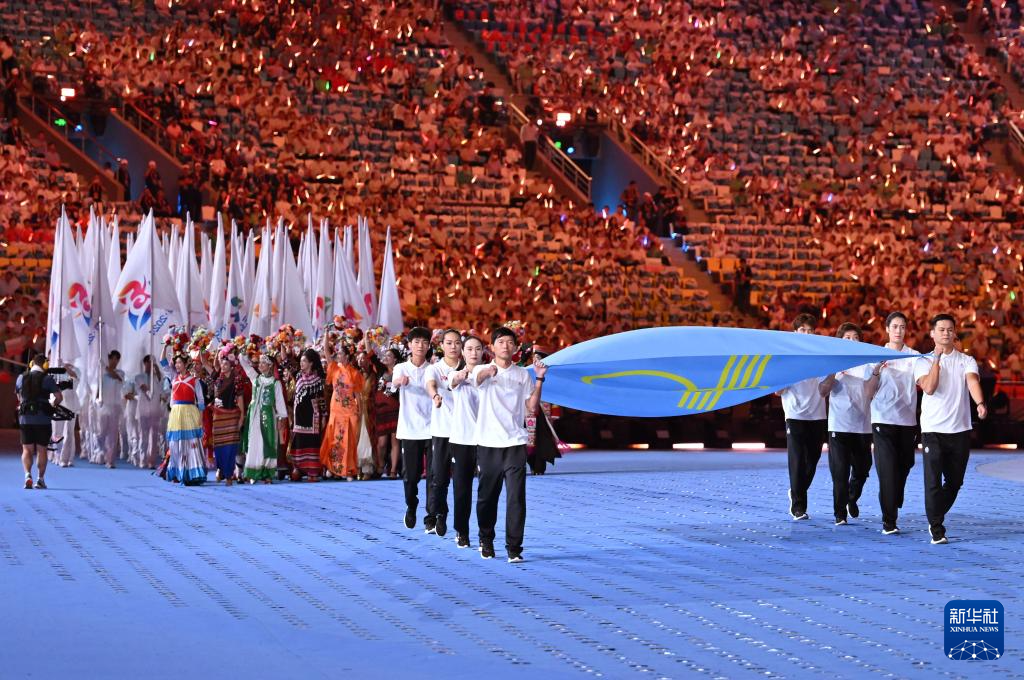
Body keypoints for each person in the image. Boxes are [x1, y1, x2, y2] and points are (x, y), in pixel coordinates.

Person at [472, 326, 548, 563]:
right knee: (487, 497)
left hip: (515, 442)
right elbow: (477, 380)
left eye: (510, 342)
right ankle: (486, 539)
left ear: (515, 347)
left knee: (516, 498)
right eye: (501, 342)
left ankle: (514, 548)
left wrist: (539, 379)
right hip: (488, 443)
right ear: (492, 347)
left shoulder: (522, 374)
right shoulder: (481, 369)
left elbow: (531, 407)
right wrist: (488, 373)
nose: (505, 346)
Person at [914, 314, 987, 545]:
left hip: (960, 430)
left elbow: (972, 381)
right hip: (932, 430)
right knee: (933, 481)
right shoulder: (922, 361)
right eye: (941, 329)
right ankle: (937, 528)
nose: (946, 333)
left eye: (950, 329)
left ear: (955, 333)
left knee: (955, 482)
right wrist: (936, 359)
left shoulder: (966, 360)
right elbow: (929, 388)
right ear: (932, 333)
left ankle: (934, 513)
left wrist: (980, 403)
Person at [866, 312, 919, 535]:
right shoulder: (876, 356)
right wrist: (876, 370)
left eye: (902, 327)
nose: (899, 330)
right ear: (887, 329)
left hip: (907, 421)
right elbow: (868, 391)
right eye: (895, 326)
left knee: (905, 466)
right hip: (882, 419)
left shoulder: (914, 356)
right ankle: (889, 522)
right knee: (887, 471)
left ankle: (895, 495)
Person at [818, 323, 873, 526]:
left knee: (863, 469)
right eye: (847, 338)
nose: (851, 341)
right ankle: (839, 513)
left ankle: (852, 497)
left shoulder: (867, 364)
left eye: (855, 337)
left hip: (862, 425)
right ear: (840, 341)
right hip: (838, 425)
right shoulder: (831, 363)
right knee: (840, 472)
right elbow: (822, 391)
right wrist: (834, 371)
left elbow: (872, 391)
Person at [777, 313, 828, 521]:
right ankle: (799, 506)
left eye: (810, 330)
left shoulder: (821, 357)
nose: (807, 334)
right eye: (802, 330)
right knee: (797, 460)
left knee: (812, 461)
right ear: (795, 332)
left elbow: (824, 389)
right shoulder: (786, 358)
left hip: (817, 414)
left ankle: (796, 490)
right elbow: (778, 391)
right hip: (794, 414)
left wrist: (833, 371)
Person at [394, 327, 434, 531]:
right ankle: (411, 505)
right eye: (416, 342)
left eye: (424, 342)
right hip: (410, 429)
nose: (420, 346)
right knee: (410, 476)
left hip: (433, 428)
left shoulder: (433, 369)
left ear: (429, 346)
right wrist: (399, 381)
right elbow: (394, 383)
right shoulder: (401, 368)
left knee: (434, 475)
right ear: (409, 345)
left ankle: (431, 516)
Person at [424, 329, 464, 537]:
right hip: (441, 432)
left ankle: (461, 528)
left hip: (464, 433)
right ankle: (439, 514)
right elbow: (430, 385)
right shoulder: (434, 368)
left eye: (457, 343)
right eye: (449, 343)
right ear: (441, 345)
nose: (453, 347)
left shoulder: (468, 368)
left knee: (461, 482)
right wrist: (435, 396)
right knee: (439, 478)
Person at [447, 334, 484, 548]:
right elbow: (453, 381)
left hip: (486, 440)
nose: (473, 353)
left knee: (486, 491)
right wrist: (462, 375)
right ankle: (461, 531)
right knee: (462, 489)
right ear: (462, 352)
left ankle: (485, 535)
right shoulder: (455, 374)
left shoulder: (490, 374)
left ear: (483, 351)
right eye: (469, 349)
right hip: (461, 440)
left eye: (477, 348)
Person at [320, 334, 365, 481]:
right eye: (338, 353)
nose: (337, 355)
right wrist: (326, 335)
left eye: (340, 353)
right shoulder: (334, 368)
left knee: (348, 441)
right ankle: (333, 468)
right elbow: (326, 351)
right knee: (334, 439)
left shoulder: (354, 373)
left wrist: (360, 412)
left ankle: (348, 470)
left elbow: (358, 396)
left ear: (347, 356)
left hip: (350, 410)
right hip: (336, 410)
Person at [239, 353, 288, 483]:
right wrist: (241, 353)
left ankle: (267, 473)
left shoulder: (275, 383)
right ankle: (252, 472)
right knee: (254, 442)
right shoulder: (255, 378)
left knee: (268, 443)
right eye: (259, 363)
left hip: (268, 417)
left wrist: (281, 418)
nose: (260, 365)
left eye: (263, 363)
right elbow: (245, 364)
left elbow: (279, 401)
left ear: (270, 366)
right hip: (254, 416)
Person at [160, 352, 207, 485]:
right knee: (176, 444)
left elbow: (201, 402)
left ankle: (191, 473)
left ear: (186, 364)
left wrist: (200, 420)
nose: (177, 365)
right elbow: (163, 362)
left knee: (191, 443)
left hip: (190, 413)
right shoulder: (173, 377)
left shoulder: (195, 380)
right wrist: (165, 345)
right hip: (176, 413)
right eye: (176, 362)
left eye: (180, 362)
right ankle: (177, 472)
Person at [16, 355, 61, 489]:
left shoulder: (21, 377)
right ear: (45, 365)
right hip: (43, 419)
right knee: (42, 450)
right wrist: (52, 405)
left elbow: (18, 396)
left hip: (25, 419)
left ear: (31, 364)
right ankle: (40, 479)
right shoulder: (48, 379)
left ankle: (27, 475)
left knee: (27, 450)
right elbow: (59, 397)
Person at [290, 348, 327, 481]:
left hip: (312, 416)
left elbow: (322, 399)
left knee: (311, 442)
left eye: (304, 361)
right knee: (299, 441)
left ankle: (312, 471)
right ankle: (298, 469)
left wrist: (324, 416)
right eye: (301, 361)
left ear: (311, 363)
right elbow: (286, 362)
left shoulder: (318, 380)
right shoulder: (298, 376)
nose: (301, 363)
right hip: (298, 416)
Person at [210, 350, 246, 485]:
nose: (223, 366)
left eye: (226, 364)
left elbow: (240, 400)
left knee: (231, 448)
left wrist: (241, 418)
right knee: (219, 447)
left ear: (231, 366)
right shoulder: (218, 380)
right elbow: (215, 397)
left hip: (232, 417)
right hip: (218, 417)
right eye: (222, 364)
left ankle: (229, 475)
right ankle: (221, 470)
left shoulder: (237, 379)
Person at [89, 350, 126, 468]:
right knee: (101, 433)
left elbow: (116, 377)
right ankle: (100, 452)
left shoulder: (120, 373)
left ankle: (110, 460)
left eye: (117, 359)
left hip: (115, 407)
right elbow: (97, 391)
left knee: (113, 435)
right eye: (112, 359)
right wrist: (96, 400)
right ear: (109, 359)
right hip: (103, 407)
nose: (114, 361)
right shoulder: (102, 375)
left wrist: (105, 366)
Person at [374, 348, 402, 478]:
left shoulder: (400, 372)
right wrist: (367, 340)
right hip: (381, 411)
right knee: (381, 443)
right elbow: (371, 356)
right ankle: (381, 465)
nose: (385, 357)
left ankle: (393, 470)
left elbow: (395, 391)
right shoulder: (381, 371)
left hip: (395, 410)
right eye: (385, 355)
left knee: (395, 441)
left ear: (395, 359)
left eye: (389, 355)